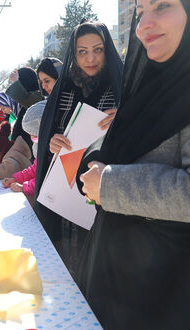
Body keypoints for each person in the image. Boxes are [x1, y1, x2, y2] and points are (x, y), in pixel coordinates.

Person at [77, 1, 190, 328]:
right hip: (120, 282)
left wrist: (110, 183)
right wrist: (97, 154)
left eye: (163, 5)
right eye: (141, 11)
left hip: (164, 295)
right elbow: (128, 143)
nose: (143, 25)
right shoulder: (150, 81)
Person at [33, 21, 123, 271]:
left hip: (107, 199)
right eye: (82, 51)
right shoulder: (63, 91)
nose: (90, 58)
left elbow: (142, 140)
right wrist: (52, 144)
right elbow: (49, 139)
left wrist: (125, 120)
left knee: (100, 271)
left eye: (98, 49)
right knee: (67, 270)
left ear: (108, 50)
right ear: (73, 53)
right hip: (66, 200)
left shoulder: (122, 88)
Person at [2, 102, 46, 199]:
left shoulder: (52, 152)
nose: (32, 138)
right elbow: (35, 169)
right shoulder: (42, 147)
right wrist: (16, 178)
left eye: (35, 135)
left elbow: (47, 179)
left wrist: (25, 187)